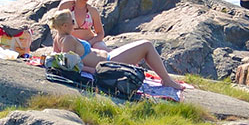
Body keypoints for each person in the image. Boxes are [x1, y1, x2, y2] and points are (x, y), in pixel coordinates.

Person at [43, 8, 183, 92]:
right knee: (146, 46)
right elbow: (69, 66)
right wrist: (92, 70)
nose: (75, 24)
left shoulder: (58, 38)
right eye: (72, 21)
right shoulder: (67, 40)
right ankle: (166, 80)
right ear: (65, 25)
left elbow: (56, 58)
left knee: (142, 46)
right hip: (109, 63)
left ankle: (165, 78)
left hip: (108, 57)